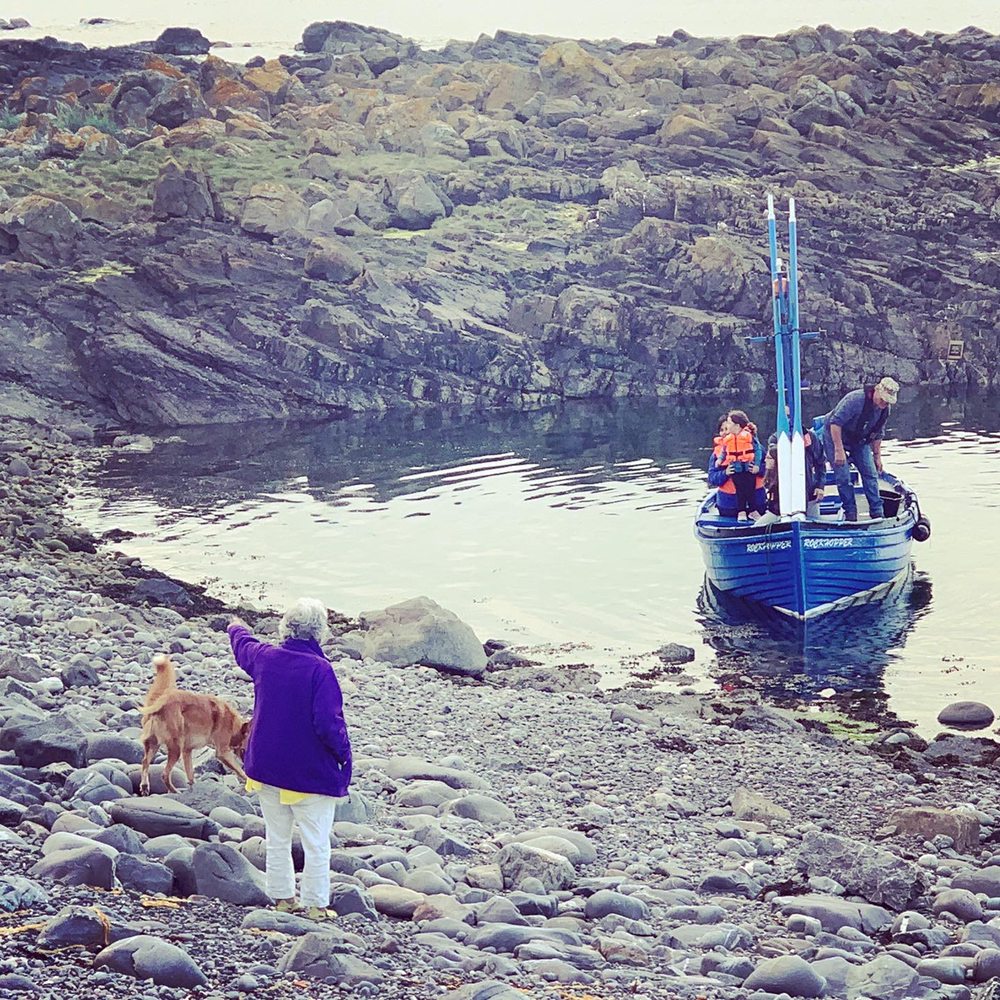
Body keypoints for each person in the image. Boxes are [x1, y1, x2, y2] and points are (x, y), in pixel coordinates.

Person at [228, 599, 352, 921]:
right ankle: (315, 905)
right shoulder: (319, 669)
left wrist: (236, 626)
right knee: (316, 842)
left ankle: (282, 899)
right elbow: (328, 723)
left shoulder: (266, 658)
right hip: (306, 775)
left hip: (266, 769)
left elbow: (245, 647)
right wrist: (344, 755)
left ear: (286, 628)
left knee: (277, 838)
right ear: (320, 632)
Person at [818, 377, 899, 521]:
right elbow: (835, 423)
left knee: (871, 473)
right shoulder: (855, 400)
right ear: (876, 391)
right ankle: (850, 513)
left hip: (860, 439)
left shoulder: (884, 409)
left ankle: (877, 512)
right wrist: (839, 450)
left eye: (887, 401)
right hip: (835, 434)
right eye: (882, 399)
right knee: (843, 476)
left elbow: (878, 433)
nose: (884, 403)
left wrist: (877, 456)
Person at [764, 428, 826, 517]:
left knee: (814, 523)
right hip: (781, 507)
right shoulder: (777, 438)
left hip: (809, 493)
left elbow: (820, 463)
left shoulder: (812, 437)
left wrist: (820, 486)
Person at [718, 410, 765, 520]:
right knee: (740, 490)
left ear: (737, 425)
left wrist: (757, 466)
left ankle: (753, 510)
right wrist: (720, 460)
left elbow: (758, 451)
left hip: (749, 468)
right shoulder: (728, 439)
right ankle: (741, 512)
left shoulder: (749, 437)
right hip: (736, 469)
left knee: (750, 490)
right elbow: (724, 451)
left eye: (729, 423)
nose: (727, 425)